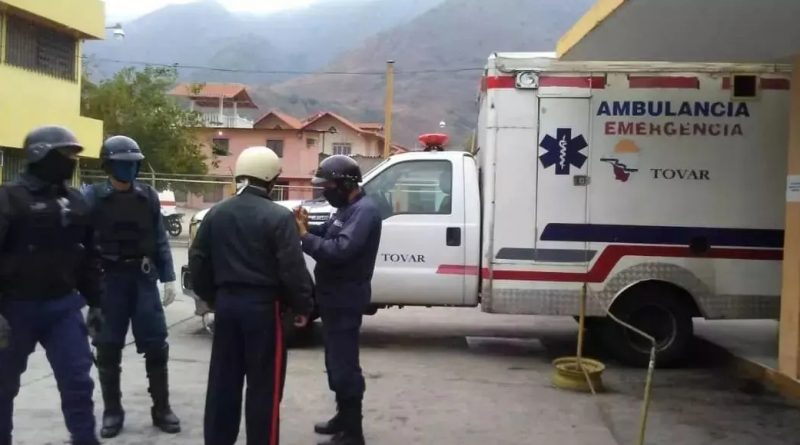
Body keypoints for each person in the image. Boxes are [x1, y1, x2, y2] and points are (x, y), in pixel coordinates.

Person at [189, 146, 313, 445]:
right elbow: (291, 268)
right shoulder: (279, 217)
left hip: (227, 306)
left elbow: (198, 260)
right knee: (264, 388)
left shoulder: (217, 213)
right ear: (271, 179)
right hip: (264, 309)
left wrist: (211, 296)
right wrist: (303, 306)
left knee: (223, 383)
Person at [0, 125, 105, 445]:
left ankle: (84, 439)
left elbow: (88, 256)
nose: (70, 161)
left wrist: (96, 302)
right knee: (3, 386)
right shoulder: (9, 198)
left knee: (78, 381)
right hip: (14, 308)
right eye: (64, 154)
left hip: (62, 307)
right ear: (40, 155)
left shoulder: (76, 201)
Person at [82, 135, 181, 438]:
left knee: (156, 344)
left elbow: (160, 238)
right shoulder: (91, 198)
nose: (130, 169)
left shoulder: (148, 196)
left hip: (142, 278)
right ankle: (113, 411)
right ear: (108, 166)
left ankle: (162, 408)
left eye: (134, 164)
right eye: (123, 164)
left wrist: (168, 277)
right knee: (107, 347)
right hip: (108, 281)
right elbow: (80, 242)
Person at [295, 155, 382, 445]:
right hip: (333, 299)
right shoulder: (346, 209)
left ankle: (353, 433)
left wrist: (304, 237)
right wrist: (306, 227)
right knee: (335, 363)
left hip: (346, 299)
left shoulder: (364, 211)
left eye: (328, 186)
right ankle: (342, 417)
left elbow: (340, 250)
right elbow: (329, 233)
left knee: (345, 366)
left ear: (345, 184)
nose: (325, 191)